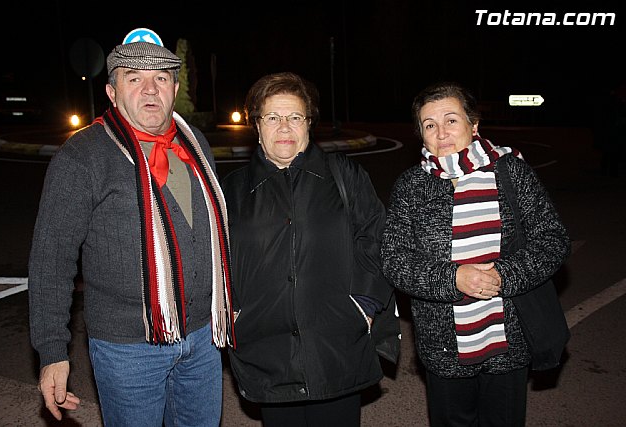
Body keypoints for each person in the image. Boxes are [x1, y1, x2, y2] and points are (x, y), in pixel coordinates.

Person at [28, 31, 234, 426]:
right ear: (111, 92)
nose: (150, 89)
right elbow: (51, 260)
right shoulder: (83, 156)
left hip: (203, 339)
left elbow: (213, 237)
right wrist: (52, 352)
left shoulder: (195, 144)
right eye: (134, 78)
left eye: (161, 78)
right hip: (128, 350)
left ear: (175, 89)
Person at [380, 82, 571, 426]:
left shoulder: (511, 171)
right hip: (443, 344)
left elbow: (552, 239)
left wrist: (503, 275)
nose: (441, 133)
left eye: (451, 120)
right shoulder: (411, 186)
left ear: (474, 125)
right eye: (429, 125)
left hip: (509, 338)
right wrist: (454, 278)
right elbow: (394, 259)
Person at [220, 71, 394, 427]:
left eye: (295, 117)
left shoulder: (343, 175)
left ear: (309, 124)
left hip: (335, 344)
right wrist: (233, 310)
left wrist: (365, 304)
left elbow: (376, 236)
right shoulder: (233, 190)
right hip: (267, 349)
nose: (284, 127)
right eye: (273, 117)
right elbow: (218, 256)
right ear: (257, 126)